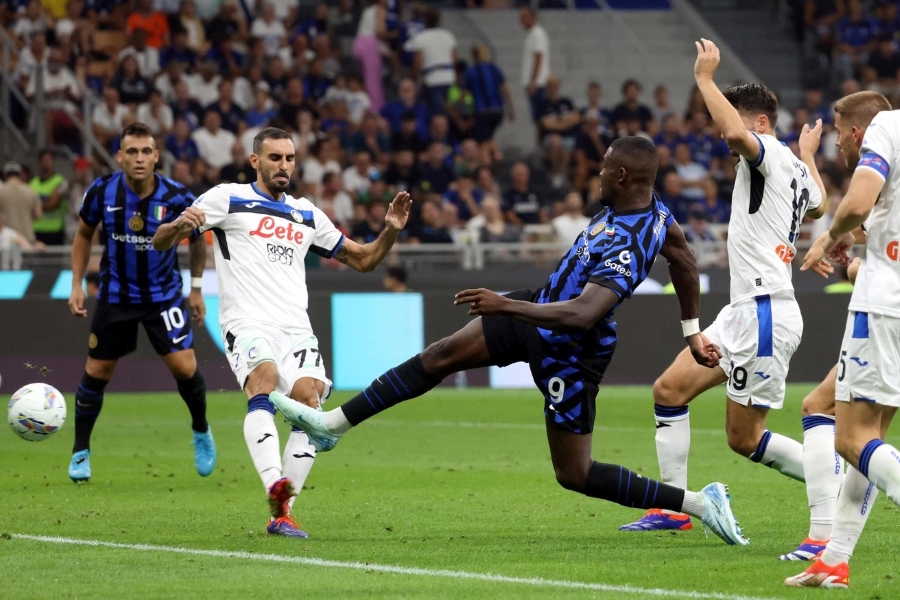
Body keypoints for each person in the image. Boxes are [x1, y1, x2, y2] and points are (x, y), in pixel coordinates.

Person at [268, 136, 749, 546]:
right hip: (539, 309)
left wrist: (505, 305)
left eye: (603, 167)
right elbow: (684, 261)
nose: (597, 174)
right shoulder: (655, 214)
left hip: (571, 351)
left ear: (622, 174)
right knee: (442, 355)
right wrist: (692, 331)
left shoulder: (628, 241)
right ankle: (333, 425)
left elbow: (584, 315)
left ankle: (698, 504)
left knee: (574, 474)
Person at [152, 127, 412, 538]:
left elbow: (363, 260)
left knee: (310, 402)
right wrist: (182, 224)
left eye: (289, 158)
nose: (284, 166)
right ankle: (274, 481)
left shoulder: (307, 213)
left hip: (296, 327)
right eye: (275, 158)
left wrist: (391, 230)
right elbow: (161, 241)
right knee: (265, 381)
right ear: (255, 160)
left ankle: (283, 512)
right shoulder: (227, 197)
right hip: (247, 320)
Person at [619, 39, 829, 539]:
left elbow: (736, 134)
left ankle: (838, 473)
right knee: (669, 390)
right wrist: (810, 155)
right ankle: (673, 506)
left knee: (743, 437)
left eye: (730, 119)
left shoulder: (767, 156)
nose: (721, 130)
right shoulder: (794, 165)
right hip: (746, 311)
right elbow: (819, 205)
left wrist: (705, 80)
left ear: (759, 123)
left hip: (764, 313)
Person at [785, 92, 896, 587]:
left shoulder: (884, 130)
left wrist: (830, 237)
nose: (839, 145)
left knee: (849, 437)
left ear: (856, 132)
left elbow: (857, 200)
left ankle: (833, 550)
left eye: (838, 134)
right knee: (866, 438)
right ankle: (835, 555)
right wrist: (857, 248)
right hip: (891, 300)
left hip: (883, 309)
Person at [67, 122, 215, 483]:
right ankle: (80, 452)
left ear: (155, 156)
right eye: (131, 151)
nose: (138, 158)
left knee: (184, 368)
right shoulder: (101, 191)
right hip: (116, 295)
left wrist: (195, 288)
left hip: (163, 296)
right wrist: (76, 283)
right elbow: (84, 234)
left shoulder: (178, 196)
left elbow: (198, 240)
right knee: (97, 371)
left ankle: (201, 431)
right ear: (120, 156)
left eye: (145, 151)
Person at [0, 161, 42, 247]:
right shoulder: (31, 191)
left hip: (7, 242)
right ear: (20, 174)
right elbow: (38, 215)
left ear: (5, 175)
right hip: (28, 240)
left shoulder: (1, 191)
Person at [520, 6, 549, 123]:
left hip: (538, 83)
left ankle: (541, 140)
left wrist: (533, 82)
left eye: (524, 17)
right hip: (535, 83)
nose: (521, 21)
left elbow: (538, 58)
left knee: (540, 117)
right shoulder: (531, 34)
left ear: (532, 17)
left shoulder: (537, 34)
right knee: (536, 117)